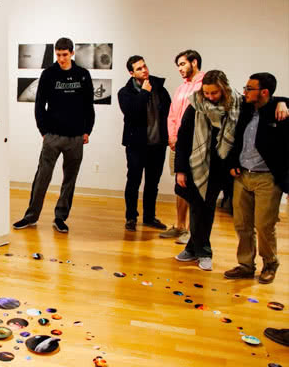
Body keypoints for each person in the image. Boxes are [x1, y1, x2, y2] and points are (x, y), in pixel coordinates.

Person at [174, 71, 287, 271]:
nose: (210, 97)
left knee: (207, 208)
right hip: (198, 165)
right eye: (207, 93)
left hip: (223, 167)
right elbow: (183, 138)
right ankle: (199, 249)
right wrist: (180, 170)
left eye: (215, 93)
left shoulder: (238, 104)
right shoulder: (196, 106)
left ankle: (200, 250)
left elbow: (268, 98)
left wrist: (284, 102)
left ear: (224, 89)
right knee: (198, 207)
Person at [13, 37, 95, 233]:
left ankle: (60, 218)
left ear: (72, 53)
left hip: (76, 136)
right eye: (58, 55)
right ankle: (31, 216)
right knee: (42, 177)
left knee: (70, 179)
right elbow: (39, 105)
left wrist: (87, 130)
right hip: (53, 136)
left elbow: (88, 106)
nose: (61, 58)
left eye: (65, 55)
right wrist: (43, 131)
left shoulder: (82, 74)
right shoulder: (48, 74)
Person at [224, 73, 289, 284]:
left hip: (267, 179)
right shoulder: (245, 108)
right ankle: (245, 265)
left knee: (263, 225)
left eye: (249, 88)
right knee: (242, 224)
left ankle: (270, 264)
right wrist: (233, 163)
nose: (245, 91)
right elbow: (237, 139)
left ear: (264, 92)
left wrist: (283, 102)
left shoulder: (279, 114)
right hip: (243, 175)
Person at [118, 56, 171, 231]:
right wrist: (144, 93)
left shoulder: (160, 89)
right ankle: (131, 217)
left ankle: (149, 217)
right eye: (139, 68)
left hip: (157, 144)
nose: (144, 70)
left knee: (152, 183)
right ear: (131, 73)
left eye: (145, 66)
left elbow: (169, 114)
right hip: (136, 145)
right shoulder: (124, 93)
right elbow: (132, 113)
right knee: (133, 181)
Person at [161, 50, 204, 244]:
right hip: (177, 144)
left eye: (182, 64)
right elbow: (172, 114)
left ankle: (191, 230)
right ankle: (179, 226)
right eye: (178, 65)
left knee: (193, 187)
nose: (180, 68)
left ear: (194, 62)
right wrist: (171, 136)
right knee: (180, 185)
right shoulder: (180, 89)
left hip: (195, 145)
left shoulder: (205, 84)